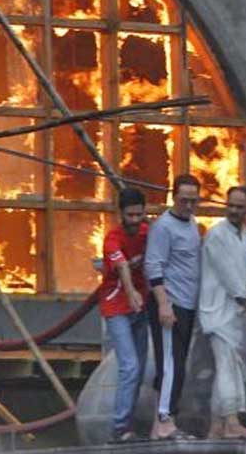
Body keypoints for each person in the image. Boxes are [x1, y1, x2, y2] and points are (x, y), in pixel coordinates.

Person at [199, 185, 246, 439]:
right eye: (231, 206)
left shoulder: (244, 234)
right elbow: (227, 275)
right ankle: (232, 421)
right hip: (217, 310)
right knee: (227, 364)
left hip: (234, 310)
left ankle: (217, 425)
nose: (234, 211)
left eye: (239, 207)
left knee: (228, 364)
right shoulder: (216, 235)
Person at [144, 173, 202, 440]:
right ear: (173, 197)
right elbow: (153, 265)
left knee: (177, 363)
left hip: (188, 304)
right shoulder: (163, 227)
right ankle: (165, 419)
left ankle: (162, 423)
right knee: (171, 365)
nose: (188, 206)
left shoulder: (192, 224)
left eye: (193, 201)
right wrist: (163, 304)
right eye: (184, 200)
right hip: (171, 303)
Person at [99, 187, 149, 443]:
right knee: (129, 366)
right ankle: (119, 428)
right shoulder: (112, 239)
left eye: (139, 214)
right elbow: (121, 267)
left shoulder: (147, 232)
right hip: (116, 306)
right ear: (121, 214)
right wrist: (130, 293)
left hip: (141, 307)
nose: (134, 220)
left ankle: (129, 422)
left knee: (138, 368)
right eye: (130, 215)